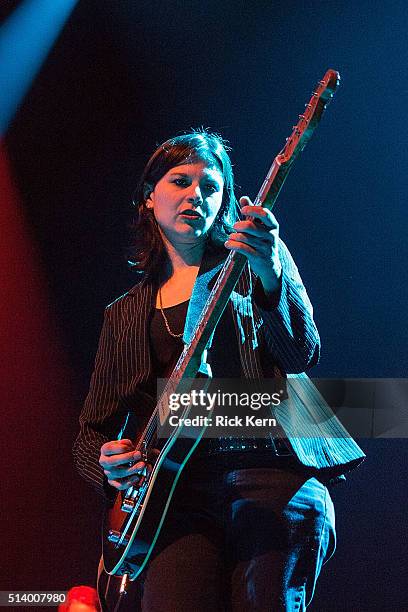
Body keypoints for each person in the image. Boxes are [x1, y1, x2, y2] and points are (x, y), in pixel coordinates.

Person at [73, 129, 364, 611]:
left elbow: (300, 356)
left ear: (226, 197)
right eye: (180, 181)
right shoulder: (124, 313)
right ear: (149, 197)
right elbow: (89, 432)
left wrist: (271, 274)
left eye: (210, 186)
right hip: (175, 498)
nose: (196, 195)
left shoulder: (256, 259)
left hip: (272, 475)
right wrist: (107, 465)